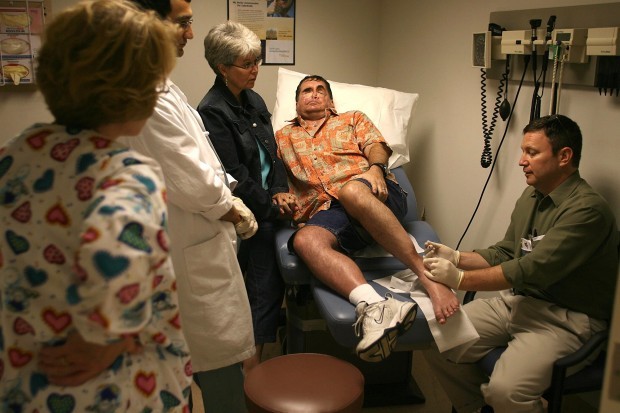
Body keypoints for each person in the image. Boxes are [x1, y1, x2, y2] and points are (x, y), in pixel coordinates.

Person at [0, 0, 192, 411]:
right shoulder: (128, 174)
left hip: (25, 370)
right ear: (136, 90)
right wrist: (107, 335)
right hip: (109, 384)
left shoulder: (14, 154)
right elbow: (116, 249)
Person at [422, 114, 618, 413]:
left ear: (564, 156)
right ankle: (477, 408)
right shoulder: (533, 196)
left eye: (532, 152)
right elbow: (508, 252)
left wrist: (459, 278)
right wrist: (457, 256)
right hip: (521, 302)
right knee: (435, 337)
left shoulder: (588, 211)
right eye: (523, 151)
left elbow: (530, 270)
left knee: (506, 391)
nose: (521, 161)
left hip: (565, 320)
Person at [120, 1, 258, 412]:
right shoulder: (146, 95)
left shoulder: (163, 84)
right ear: (149, 22)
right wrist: (232, 207)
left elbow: (204, 157)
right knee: (212, 362)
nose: (191, 33)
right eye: (184, 23)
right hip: (188, 241)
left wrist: (229, 192)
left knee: (201, 359)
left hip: (201, 235)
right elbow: (192, 179)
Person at [274, 75, 460, 362]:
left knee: (351, 192)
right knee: (306, 239)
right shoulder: (283, 137)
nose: (314, 94)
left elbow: (377, 145)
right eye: (306, 91)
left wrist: (375, 169)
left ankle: (427, 277)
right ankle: (376, 307)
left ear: (330, 100)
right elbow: (275, 177)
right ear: (297, 102)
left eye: (320, 90)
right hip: (332, 211)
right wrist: (282, 199)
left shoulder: (351, 119)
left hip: (373, 191)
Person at [197, 21, 298, 372]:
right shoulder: (212, 110)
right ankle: (251, 374)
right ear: (222, 68)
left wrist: (282, 190)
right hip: (255, 213)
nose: (256, 70)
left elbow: (274, 155)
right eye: (247, 64)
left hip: (274, 201)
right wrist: (272, 205)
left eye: (257, 60)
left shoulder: (252, 99)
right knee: (262, 290)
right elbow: (235, 176)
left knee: (277, 287)